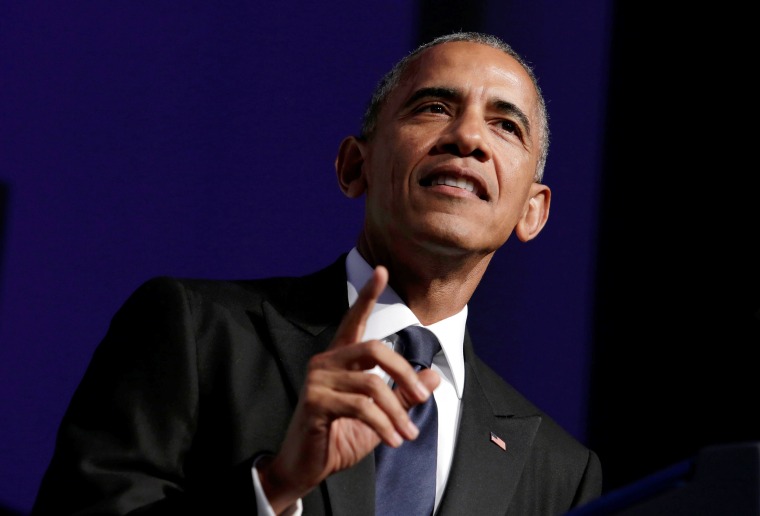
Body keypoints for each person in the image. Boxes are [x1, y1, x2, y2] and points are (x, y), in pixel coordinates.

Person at [31, 31, 602, 515]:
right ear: (355, 167)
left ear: (533, 211)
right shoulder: (195, 333)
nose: (469, 138)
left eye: (506, 126)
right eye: (433, 107)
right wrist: (274, 487)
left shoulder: (559, 472)